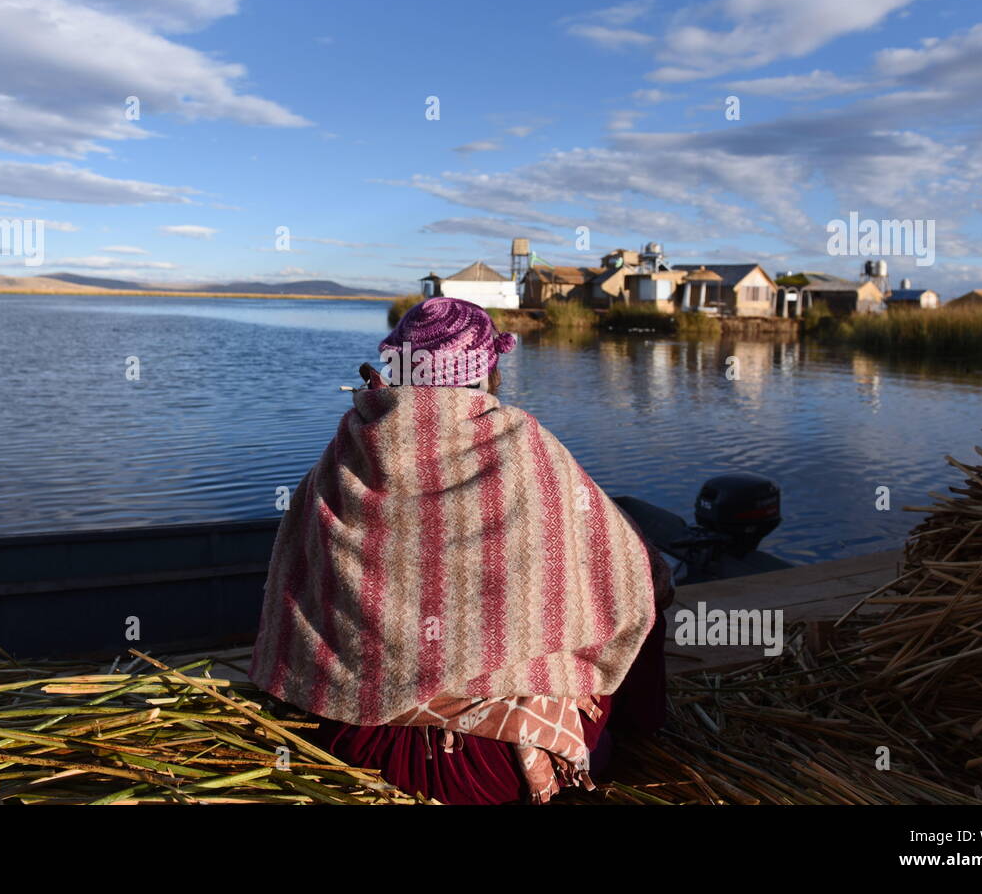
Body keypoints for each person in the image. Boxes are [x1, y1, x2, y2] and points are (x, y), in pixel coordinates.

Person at [250, 296, 674, 804]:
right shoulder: (524, 447)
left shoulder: (344, 454)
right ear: (489, 371)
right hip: (486, 768)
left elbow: (293, 586)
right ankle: (645, 738)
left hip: (347, 740)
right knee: (640, 585)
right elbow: (636, 577)